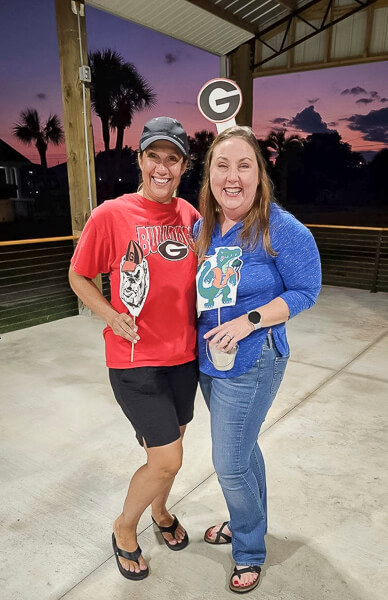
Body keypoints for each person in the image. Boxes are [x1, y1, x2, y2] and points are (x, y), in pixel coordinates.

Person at [69, 117, 200, 581]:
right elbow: (78, 274)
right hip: (135, 359)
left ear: (184, 165)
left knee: (171, 450)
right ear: (140, 160)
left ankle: (160, 513)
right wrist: (108, 314)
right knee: (167, 458)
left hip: (185, 358)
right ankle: (125, 528)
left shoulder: (191, 217)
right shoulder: (112, 214)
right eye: (154, 156)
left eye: (173, 158)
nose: (162, 167)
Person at [194, 126, 321, 593]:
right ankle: (247, 522)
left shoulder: (280, 227)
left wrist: (250, 320)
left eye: (243, 165)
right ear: (209, 174)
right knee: (244, 450)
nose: (232, 176)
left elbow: (307, 291)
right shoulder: (203, 226)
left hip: (252, 359)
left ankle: (248, 549)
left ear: (259, 174)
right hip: (210, 360)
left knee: (228, 463)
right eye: (221, 166)